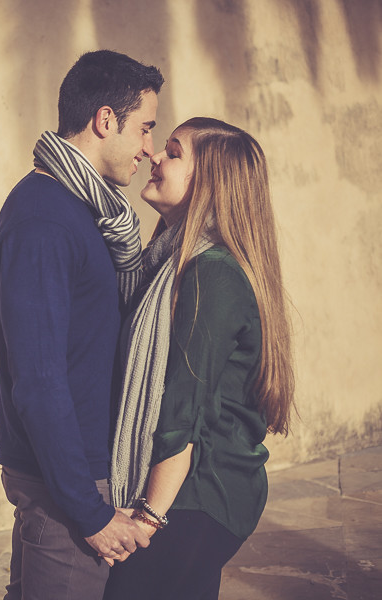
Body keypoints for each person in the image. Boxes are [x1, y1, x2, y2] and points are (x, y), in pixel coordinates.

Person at [0, 50, 164, 600]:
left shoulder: (83, 212)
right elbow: (39, 381)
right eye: (144, 129)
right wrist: (88, 511)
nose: (148, 150)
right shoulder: (45, 218)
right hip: (67, 482)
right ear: (105, 120)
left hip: (73, 471)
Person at [104, 117, 296, 600]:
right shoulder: (176, 261)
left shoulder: (209, 273)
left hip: (197, 497)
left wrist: (146, 518)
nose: (154, 156)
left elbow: (180, 413)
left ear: (208, 182)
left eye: (172, 152)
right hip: (195, 494)